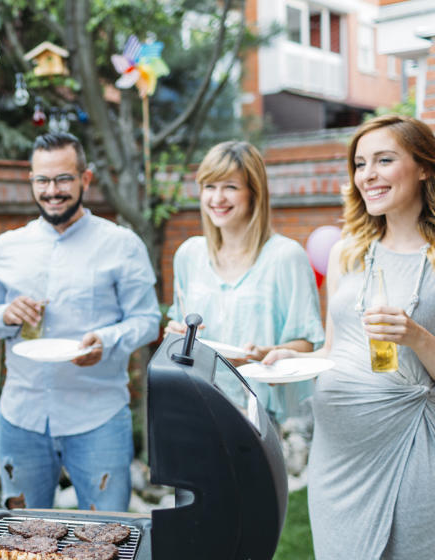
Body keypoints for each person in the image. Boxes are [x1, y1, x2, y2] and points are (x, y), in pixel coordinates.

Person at [263, 114, 435, 559]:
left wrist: (416, 337)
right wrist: (289, 358)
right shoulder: (348, 251)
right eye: (360, 164)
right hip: (338, 454)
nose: (368, 175)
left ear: (424, 167)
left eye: (384, 160)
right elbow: (333, 350)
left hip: (411, 448)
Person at [0, 132, 160, 512]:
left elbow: (148, 321)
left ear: (85, 179)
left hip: (98, 417)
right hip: (21, 417)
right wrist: (5, 315)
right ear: (31, 180)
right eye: (42, 180)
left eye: (63, 179)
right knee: (21, 534)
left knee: (109, 535)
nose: (52, 191)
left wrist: (106, 341)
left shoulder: (122, 244)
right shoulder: (8, 246)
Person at [163, 141, 324, 422]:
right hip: (197, 404)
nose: (217, 198)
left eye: (230, 187)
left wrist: (262, 355)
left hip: (260, 414)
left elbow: (309, 345)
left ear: (254, 193)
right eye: (209, 187)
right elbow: (179, 335)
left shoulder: (286, 257)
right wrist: (177, 334)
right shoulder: (189, 254)